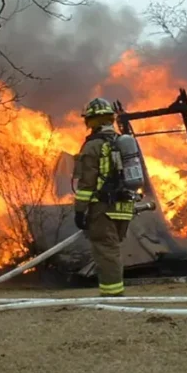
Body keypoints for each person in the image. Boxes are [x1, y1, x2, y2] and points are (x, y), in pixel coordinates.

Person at [72, 98, 136, 297]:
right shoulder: (120, 142)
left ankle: (112, 295)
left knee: (106, 251)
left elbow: (86, 183)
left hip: (103, 207)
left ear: (91, 121)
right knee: (112, 249)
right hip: (124, 206)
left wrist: (80, 210)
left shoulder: (93, 146)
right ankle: (114, 291)